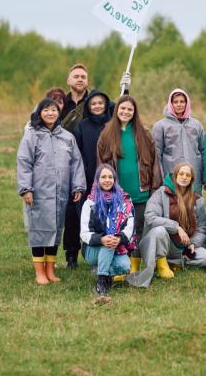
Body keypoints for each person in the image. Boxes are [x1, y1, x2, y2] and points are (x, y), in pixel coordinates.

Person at [16, 98, 86, 285]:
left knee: (56, 229)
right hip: (38, 193)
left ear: (58, 113)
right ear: (40, 113)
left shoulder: (66, 137)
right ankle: (39, 271)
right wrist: (26, 188)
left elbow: (76, 163)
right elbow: (24, 162)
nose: (50, 113)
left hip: (60, 193)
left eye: (54, 110)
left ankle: (50, 269)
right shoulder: (32, 135)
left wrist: (77, 185)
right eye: (46, 110)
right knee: (39, 230)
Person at [97, 95, 161, 274]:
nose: (125, 112)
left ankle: (136, 265)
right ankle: (118, 265)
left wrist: (154, 188)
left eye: (129, 110)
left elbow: (155, 162)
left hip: (140, 192)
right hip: (117, 194)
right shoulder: (106, 134)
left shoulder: (144, 133)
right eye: (122, 108)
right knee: (118, 229)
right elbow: (100, 164)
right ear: (117, 110)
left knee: (139, 230)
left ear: (134, 113)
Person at [128, 162, 206, 288]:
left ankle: (176, 263)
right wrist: (176, 227)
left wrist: (192, 244)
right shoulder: (161, 193)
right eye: (181, 174)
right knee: (160, 230)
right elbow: (150, 217)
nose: (184, 177)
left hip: (182, 248)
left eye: (188, 175)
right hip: (160, 243)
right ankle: (161, 262)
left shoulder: (198, 200)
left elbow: (202, 227)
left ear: (191, 179)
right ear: (175, 175)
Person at [69, 89, 114, 269]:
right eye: (93, 103)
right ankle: (85, 253)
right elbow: (76, 156)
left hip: (110, 180)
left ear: (106, 105)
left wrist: (125, 88)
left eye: (100, 103)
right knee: (88, 218)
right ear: (88, 106)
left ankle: (107, 252)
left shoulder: (112, 125)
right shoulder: (82, 126)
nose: (97, 106)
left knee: (109, 217)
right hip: (88, 180)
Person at [80, 164, 136, 296]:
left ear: (115, 179)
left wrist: (119, 238)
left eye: (110, 177)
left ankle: (101, 269)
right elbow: (84, 233)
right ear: (97, 180)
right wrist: (101, 239)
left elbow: (130, 227)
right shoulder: (89, 203)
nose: (107, 180)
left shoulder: (125, 201)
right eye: (103, 177)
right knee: (108, 242)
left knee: (125, 266)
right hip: (92, 249)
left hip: (117, 247)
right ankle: (102, 281)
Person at [152, 88, 205, 192]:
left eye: (182, 101)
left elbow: (203, 151)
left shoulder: (196, 125)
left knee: (193, 205)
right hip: (171, 176)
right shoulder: (161, 126)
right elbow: (157, 155)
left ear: (187, 103)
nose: (179, 104)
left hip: (193, 175)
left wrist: (204, 177)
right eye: (175, 102)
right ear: (170, 104)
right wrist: (160, 179)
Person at [61, 64, 90, 132]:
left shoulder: (95, 103)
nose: (80, 80)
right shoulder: (60, 103)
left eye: (83, 77)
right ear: (68, 81)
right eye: (76, 77)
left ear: (87, 81)